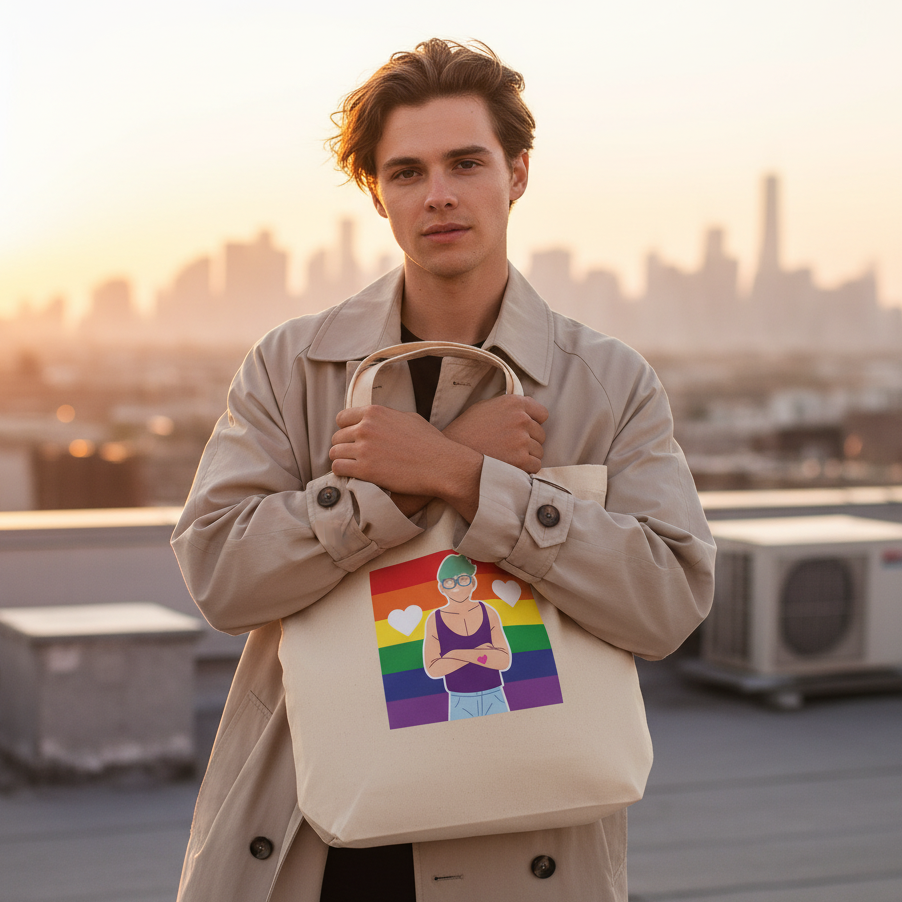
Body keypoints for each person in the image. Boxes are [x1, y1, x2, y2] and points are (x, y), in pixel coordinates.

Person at [171, 38, 715, 902]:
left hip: (524, 834)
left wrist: (466, 478)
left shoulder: (608, 383)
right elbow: (221, 578)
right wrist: (395, 485)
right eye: (407, 172)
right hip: (311, 837)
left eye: (466, 162)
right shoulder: (292, 365)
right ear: (376, 193)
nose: (440, 195)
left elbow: (668, 600)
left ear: (519, 173)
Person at [423, 553, 512, 719]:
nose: (456, 586)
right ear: (441, 588)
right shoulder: (434, 620)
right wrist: (482, 652)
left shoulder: (488, 611)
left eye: (463, 579)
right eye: (449, 582)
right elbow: (433, 669)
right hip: (459, 700)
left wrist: (456, 654)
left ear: (473, 582)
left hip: (495, 695)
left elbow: (504, 660)